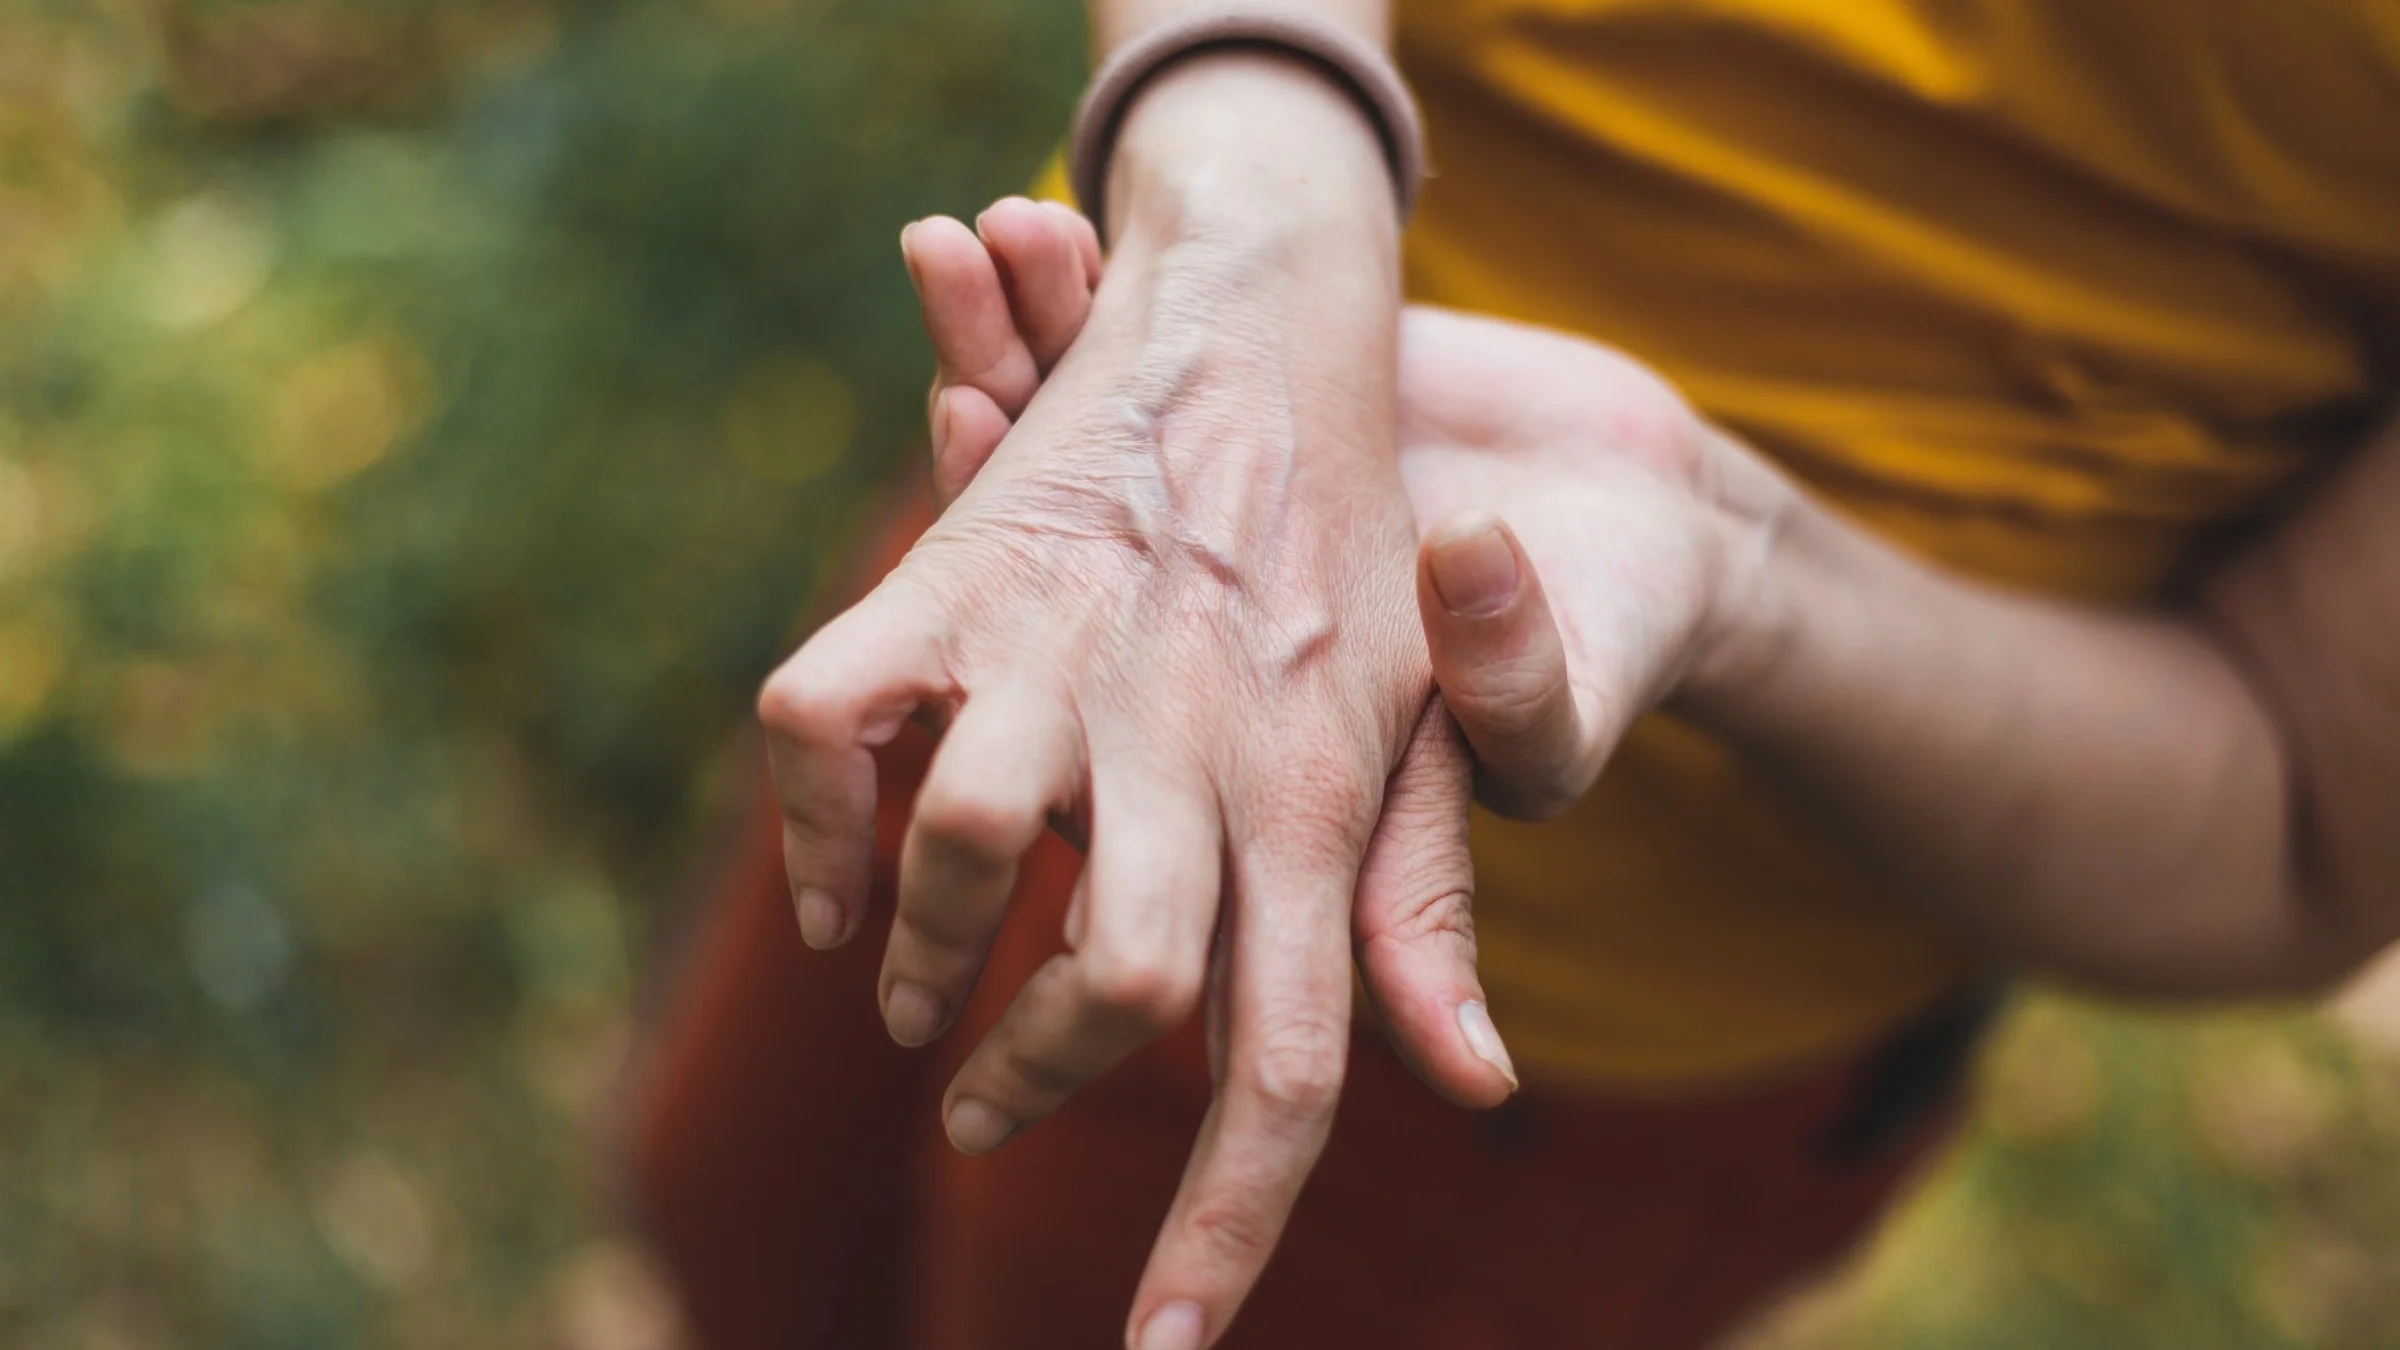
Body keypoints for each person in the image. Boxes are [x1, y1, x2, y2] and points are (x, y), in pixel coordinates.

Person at [628, 3, 2400, 1348]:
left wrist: (1730, 556)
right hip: (1081, 532)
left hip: (1545, 1043)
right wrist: (1260, 184)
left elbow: (2313, 811)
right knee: (740, 1240)